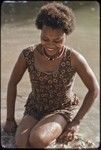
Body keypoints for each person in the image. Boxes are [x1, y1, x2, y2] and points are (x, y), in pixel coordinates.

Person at [3, 2, 99, 148]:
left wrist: (76, 122)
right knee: (21, 143)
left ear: (66, 34)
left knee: (38, 140)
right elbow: (12, 83)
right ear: (40, 31)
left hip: (61, 109)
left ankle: (57, 133)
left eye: (58, 40)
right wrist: (10, 119)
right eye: (45, 38)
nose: (50, 45)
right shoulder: (27, 54)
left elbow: (94, 89)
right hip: (35, 107)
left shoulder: (74, 58)